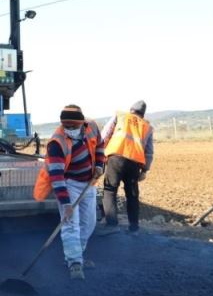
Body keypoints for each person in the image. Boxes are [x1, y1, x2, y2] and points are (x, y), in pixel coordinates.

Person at [34, 104, 105, 280]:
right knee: (70, 224)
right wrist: (66, 204)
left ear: (82, 123)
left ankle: (78, 255)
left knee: (89, 223)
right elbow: (56, 176)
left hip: (88, 182)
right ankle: (74, 262)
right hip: (68, 183)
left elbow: (100, 146)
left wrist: (99, 165)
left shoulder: (92, 127)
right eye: (67, 126)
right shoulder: (56, 143)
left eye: (74, 126)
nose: (70, 129)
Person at [99, 100, 154, 234]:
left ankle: (112, 225)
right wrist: (145, 170)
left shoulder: (120, 116)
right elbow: (149, 151)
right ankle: (134, 228)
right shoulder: (147, 126)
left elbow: (104, 135)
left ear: (131, 110)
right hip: (134, 163)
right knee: (132, 194)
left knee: (110, 190)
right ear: (143, 114)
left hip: (116, 158)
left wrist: (99, 155)